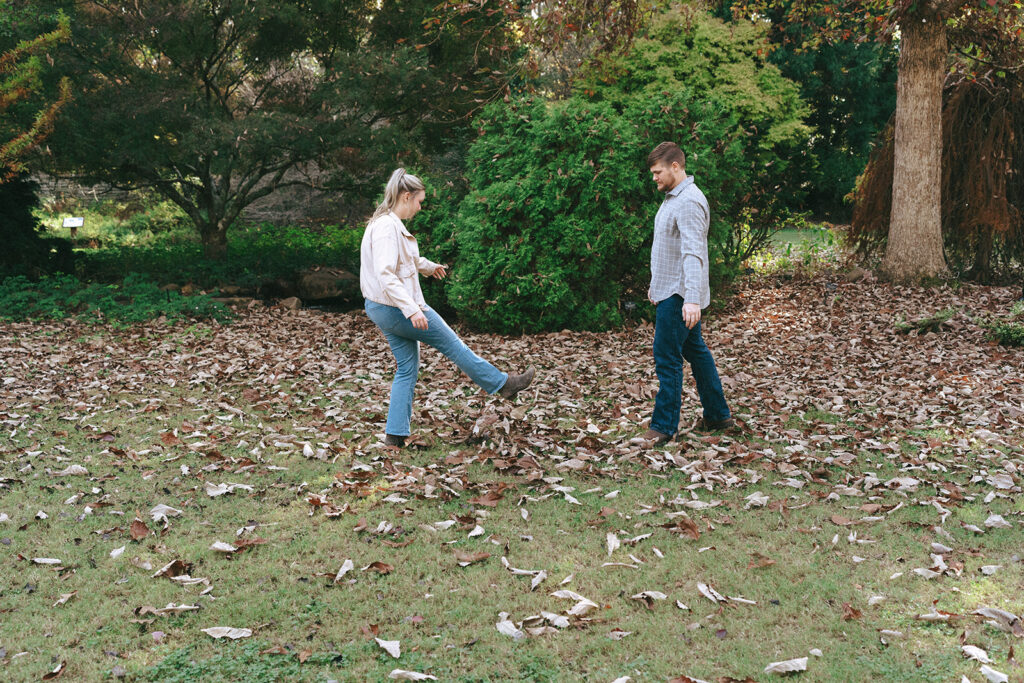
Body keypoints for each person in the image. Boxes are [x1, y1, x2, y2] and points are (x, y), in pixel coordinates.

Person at [360, 168, 535, 447]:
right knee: (454, 346)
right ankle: (504, 385)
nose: (420, 207)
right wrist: (412, 310)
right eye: (419, 201)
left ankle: (394, 436)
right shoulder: (385, 227)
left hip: (383, 308)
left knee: (407, 367)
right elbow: (385, 273)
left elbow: (403, 259)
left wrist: (428, 267)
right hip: (396, 306)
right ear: (406, 196)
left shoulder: (385, 223)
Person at [638, 142, 735, 446]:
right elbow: (669, 249)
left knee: (667, 358)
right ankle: (718, 415)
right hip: (671, 289)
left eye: (658, 172)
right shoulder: (673, 198)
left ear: (676, 167)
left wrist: (692, 299)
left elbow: (694, 253)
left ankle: (665, 426)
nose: (654, 177)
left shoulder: (689, 201)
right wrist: (657, 285)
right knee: (696, 352)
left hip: (680, 295)